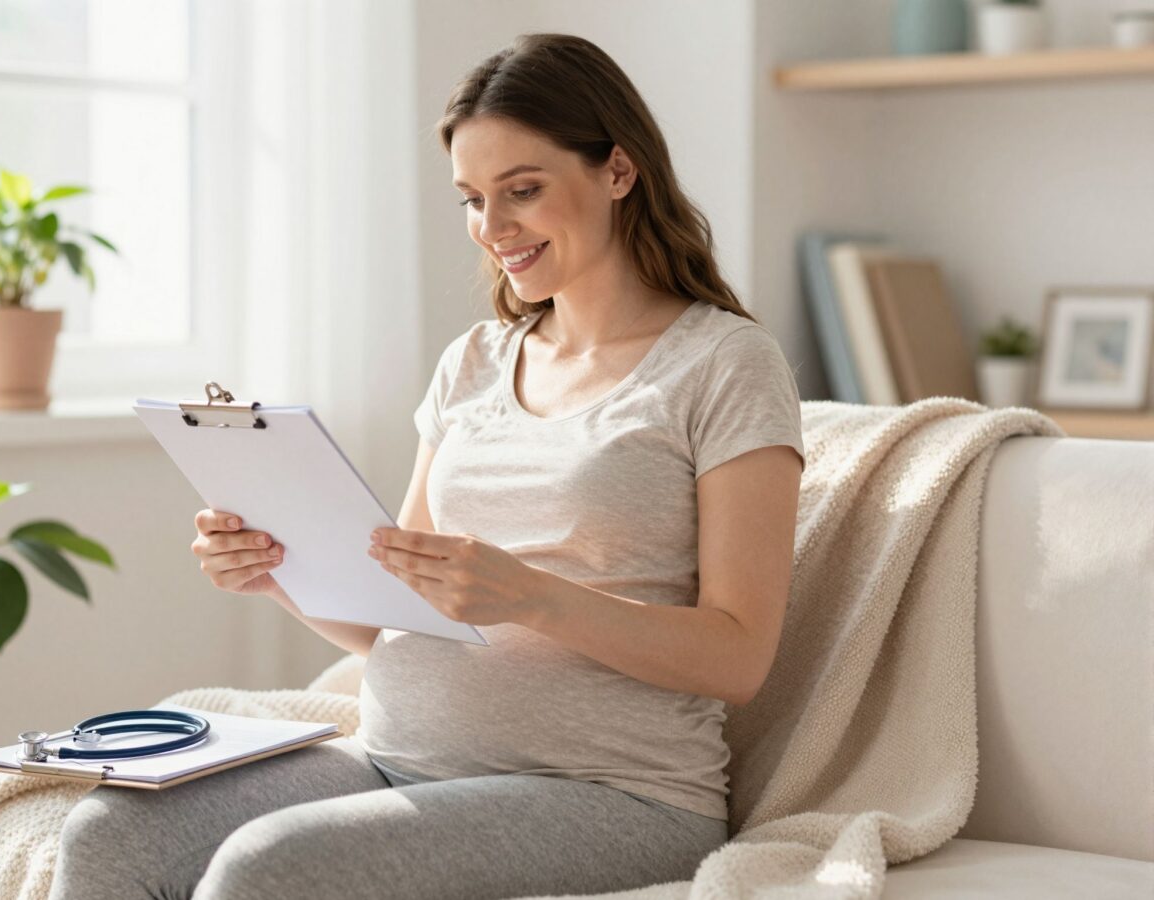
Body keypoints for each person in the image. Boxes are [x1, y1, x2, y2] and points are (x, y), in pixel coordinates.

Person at [51, 32, 806, 900]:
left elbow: (740, 657)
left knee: (271, 871)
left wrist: (532, 596)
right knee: (113, 832)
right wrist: (281, 573)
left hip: (616, 797)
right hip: (397, 761)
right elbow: (397, 619)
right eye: (472, 200)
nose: (492, 230)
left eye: (522, 191)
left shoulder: (726, 364)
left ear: (618, 172)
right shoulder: (475, 361)